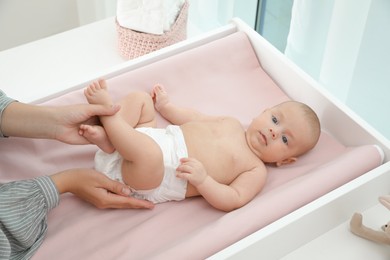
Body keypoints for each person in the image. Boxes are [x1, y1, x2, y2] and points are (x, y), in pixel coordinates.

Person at [80, 79, 321, 212]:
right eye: (275, 120)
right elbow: (193, 118)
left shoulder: (255, 170)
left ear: (285, 160)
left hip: (156, 175)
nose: (273, 131)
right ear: (264, 112)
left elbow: (234, 198)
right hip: (151, 138)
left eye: (285, 139)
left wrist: (204, 181)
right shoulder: (232, 123)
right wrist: (166, 107)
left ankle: (110, 121)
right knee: (141, 101)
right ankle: (113, 141)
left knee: (150, 155)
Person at [0, 89, 154, 260]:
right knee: (148, 152)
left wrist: (55, 122)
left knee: (141, 99)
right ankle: (111, 133)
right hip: (159, 165)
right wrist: (64, 182)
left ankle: (111, 139)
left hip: (157, 152)